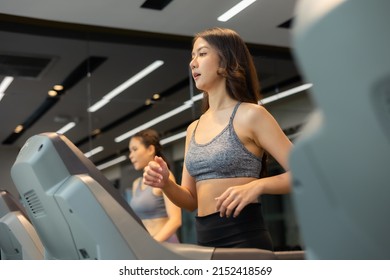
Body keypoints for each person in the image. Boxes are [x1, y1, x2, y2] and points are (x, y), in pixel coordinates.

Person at [143, 27, 293, 250]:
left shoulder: (252, 115)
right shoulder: (193, 129)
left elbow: (304, 173)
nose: (193, 62)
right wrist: (165, 184)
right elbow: (190, 200)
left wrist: (258, 186)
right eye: (192, 56)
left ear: (225, 63)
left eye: (202, 54)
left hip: (245, 240)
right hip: (205, 244)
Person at [128, 128, 181, 243]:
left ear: (150, 149)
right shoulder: (136, 184)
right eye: (130, 151)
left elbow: (176, 220)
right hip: (147, 245)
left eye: (135, 149)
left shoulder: (165, 177)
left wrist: (154, 244)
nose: (130, 156)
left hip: (164, 244)